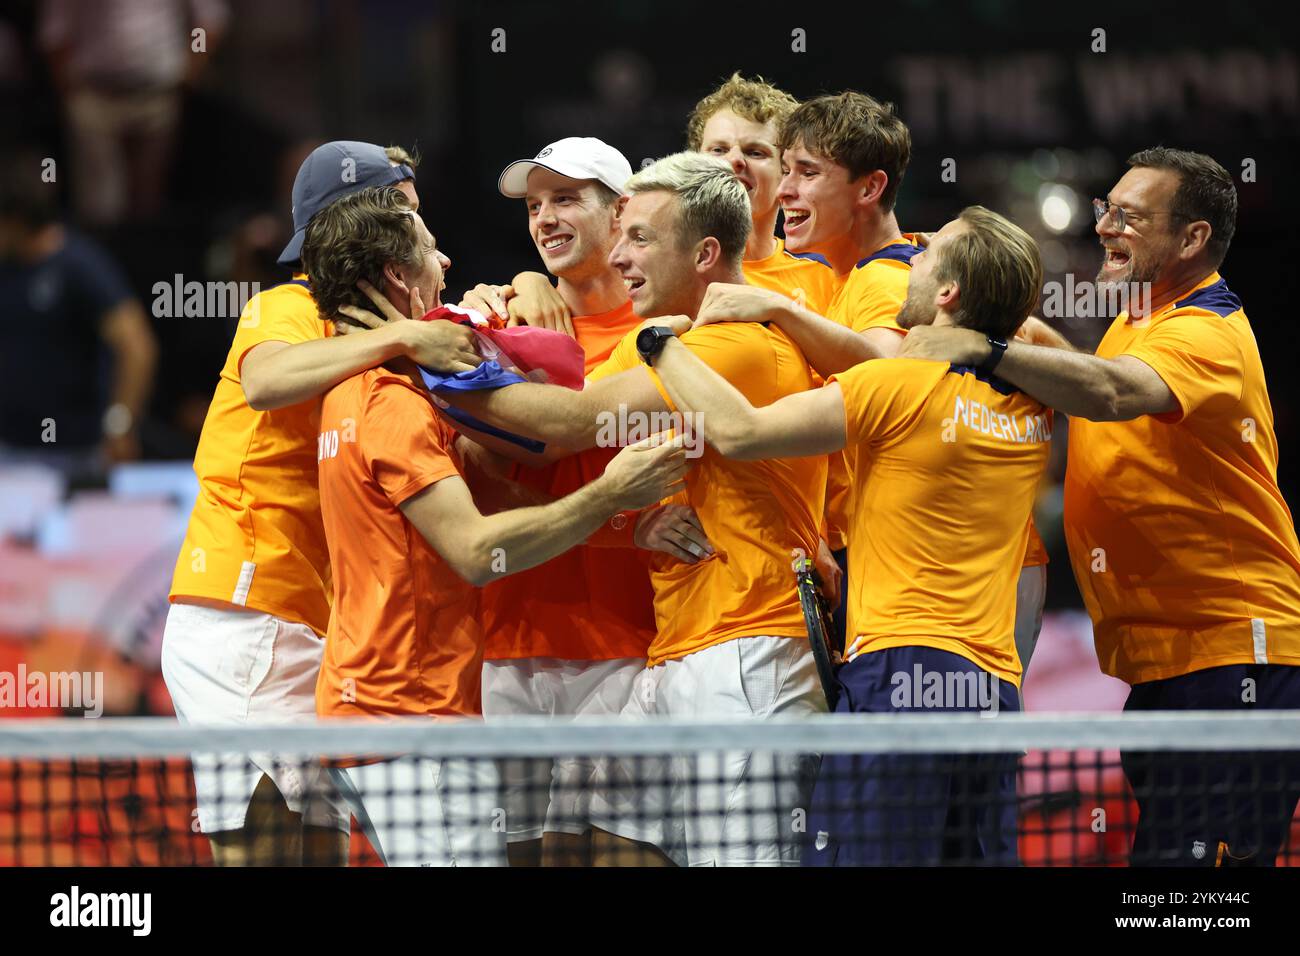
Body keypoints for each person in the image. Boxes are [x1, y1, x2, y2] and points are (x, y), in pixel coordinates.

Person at [356, 152, 828, 866]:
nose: (622, 252)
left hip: (748, 647)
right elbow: (541, 445)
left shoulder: (727, 345)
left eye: (639, 237)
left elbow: (568, 420)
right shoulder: (665, 344)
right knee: (608, 839)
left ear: (702, 254)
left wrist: (418, 356)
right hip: (678, 653)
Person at [899, 148, 1300, 866]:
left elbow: (1109, 393)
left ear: (1192, 239)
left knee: (1201, 890)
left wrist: (983, 346)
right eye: (1105, 210)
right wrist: (1010, 323)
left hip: (1236, 656)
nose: (1107, 226)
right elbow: (1086, 374)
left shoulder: (1204, 334)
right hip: (1169, 661)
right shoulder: (1142, 320)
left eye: (1131, 217)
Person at [647, 205, 1051, 864]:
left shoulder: (897, 386)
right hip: (992, 688)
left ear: (948, 293)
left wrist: (659, 344)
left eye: (927, 256)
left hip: (901, 673)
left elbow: (740, 432)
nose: (912, 260)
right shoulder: (1032, 404)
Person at [301, 185, 689, 867]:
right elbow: (478, 552)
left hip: (375, 707)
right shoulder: (394, 408)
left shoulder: (350, 393)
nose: (445, 259)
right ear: (397, 275)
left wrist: (626, 527)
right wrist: (608, 492)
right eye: (428, 248)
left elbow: (499, 501)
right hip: (410, 717)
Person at [161, 141, 480, 867]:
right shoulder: (291, 306)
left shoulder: (381, 333)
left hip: (320, 630)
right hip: (247, 611)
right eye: (406, 210)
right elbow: (269, 382)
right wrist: (403, 334)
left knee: (322, 855)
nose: (425, 232)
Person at [693, 89, 1049, 680]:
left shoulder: (888, 278)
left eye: (806, 173)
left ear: (869, 188)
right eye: (786, 172)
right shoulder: (865, 274)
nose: (785, 190)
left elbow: (885, 366)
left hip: (955, 586)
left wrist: (774, 309)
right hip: (952, 575)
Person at [0, 153, 157, 473]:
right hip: (8, 451)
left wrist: (120, 425)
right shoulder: (7, 269)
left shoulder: (80, 266)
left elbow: (137, 347)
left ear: (15, 220)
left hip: (73, 455)